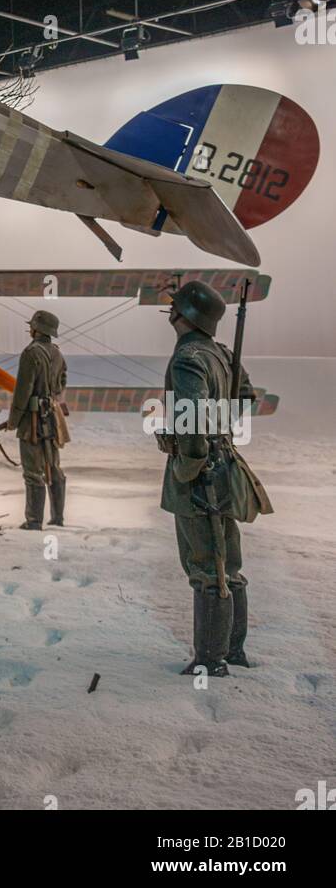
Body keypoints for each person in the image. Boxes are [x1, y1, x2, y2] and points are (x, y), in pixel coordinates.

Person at [159, 280, 273, 676]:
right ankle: (233, 650)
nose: (170, 310)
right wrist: (222, 428)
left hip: (199, 471)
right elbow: (244, 395)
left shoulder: (188, 356)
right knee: (229, 562)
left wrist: (187, 466)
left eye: (175, 306)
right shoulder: (221, 353)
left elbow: (190, 422)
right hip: (224, 464)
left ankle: (211, 660)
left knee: (207, 566)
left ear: (184, 314)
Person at [8, 310, 69, 530]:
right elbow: (62, 381)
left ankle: (34, 521)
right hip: (52, 419)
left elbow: (22, 391)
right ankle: (58, 517)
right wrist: (51, 397)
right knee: (53, 466)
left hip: (32, 422)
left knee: (33, 470)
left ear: (36, 329)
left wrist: (13, 420)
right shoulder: (57, 353)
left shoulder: (31, 353)